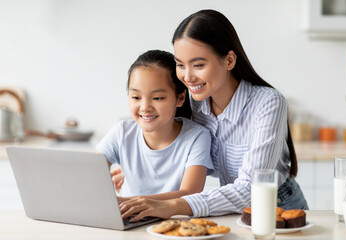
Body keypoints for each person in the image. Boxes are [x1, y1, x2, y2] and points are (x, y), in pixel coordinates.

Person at [118, 9, 308, 222]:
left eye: (198, 65)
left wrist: (172, 206)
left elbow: (250, 189)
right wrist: (137, 170)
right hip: (233, 212)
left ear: (229, 60)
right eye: (180, 65)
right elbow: (178, 151)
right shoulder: (195, 103)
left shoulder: (268, 102)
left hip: (279, 209)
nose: (187, 76)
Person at [96, 49, 214, 200]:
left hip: (174, 220)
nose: (145, 107)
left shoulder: (197, 137)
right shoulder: (122, 132)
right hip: (128, 219)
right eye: (136, 97)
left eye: (157, 98)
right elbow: (88, 174)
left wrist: (130, 202)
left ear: (180, 98)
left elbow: (190, 194)